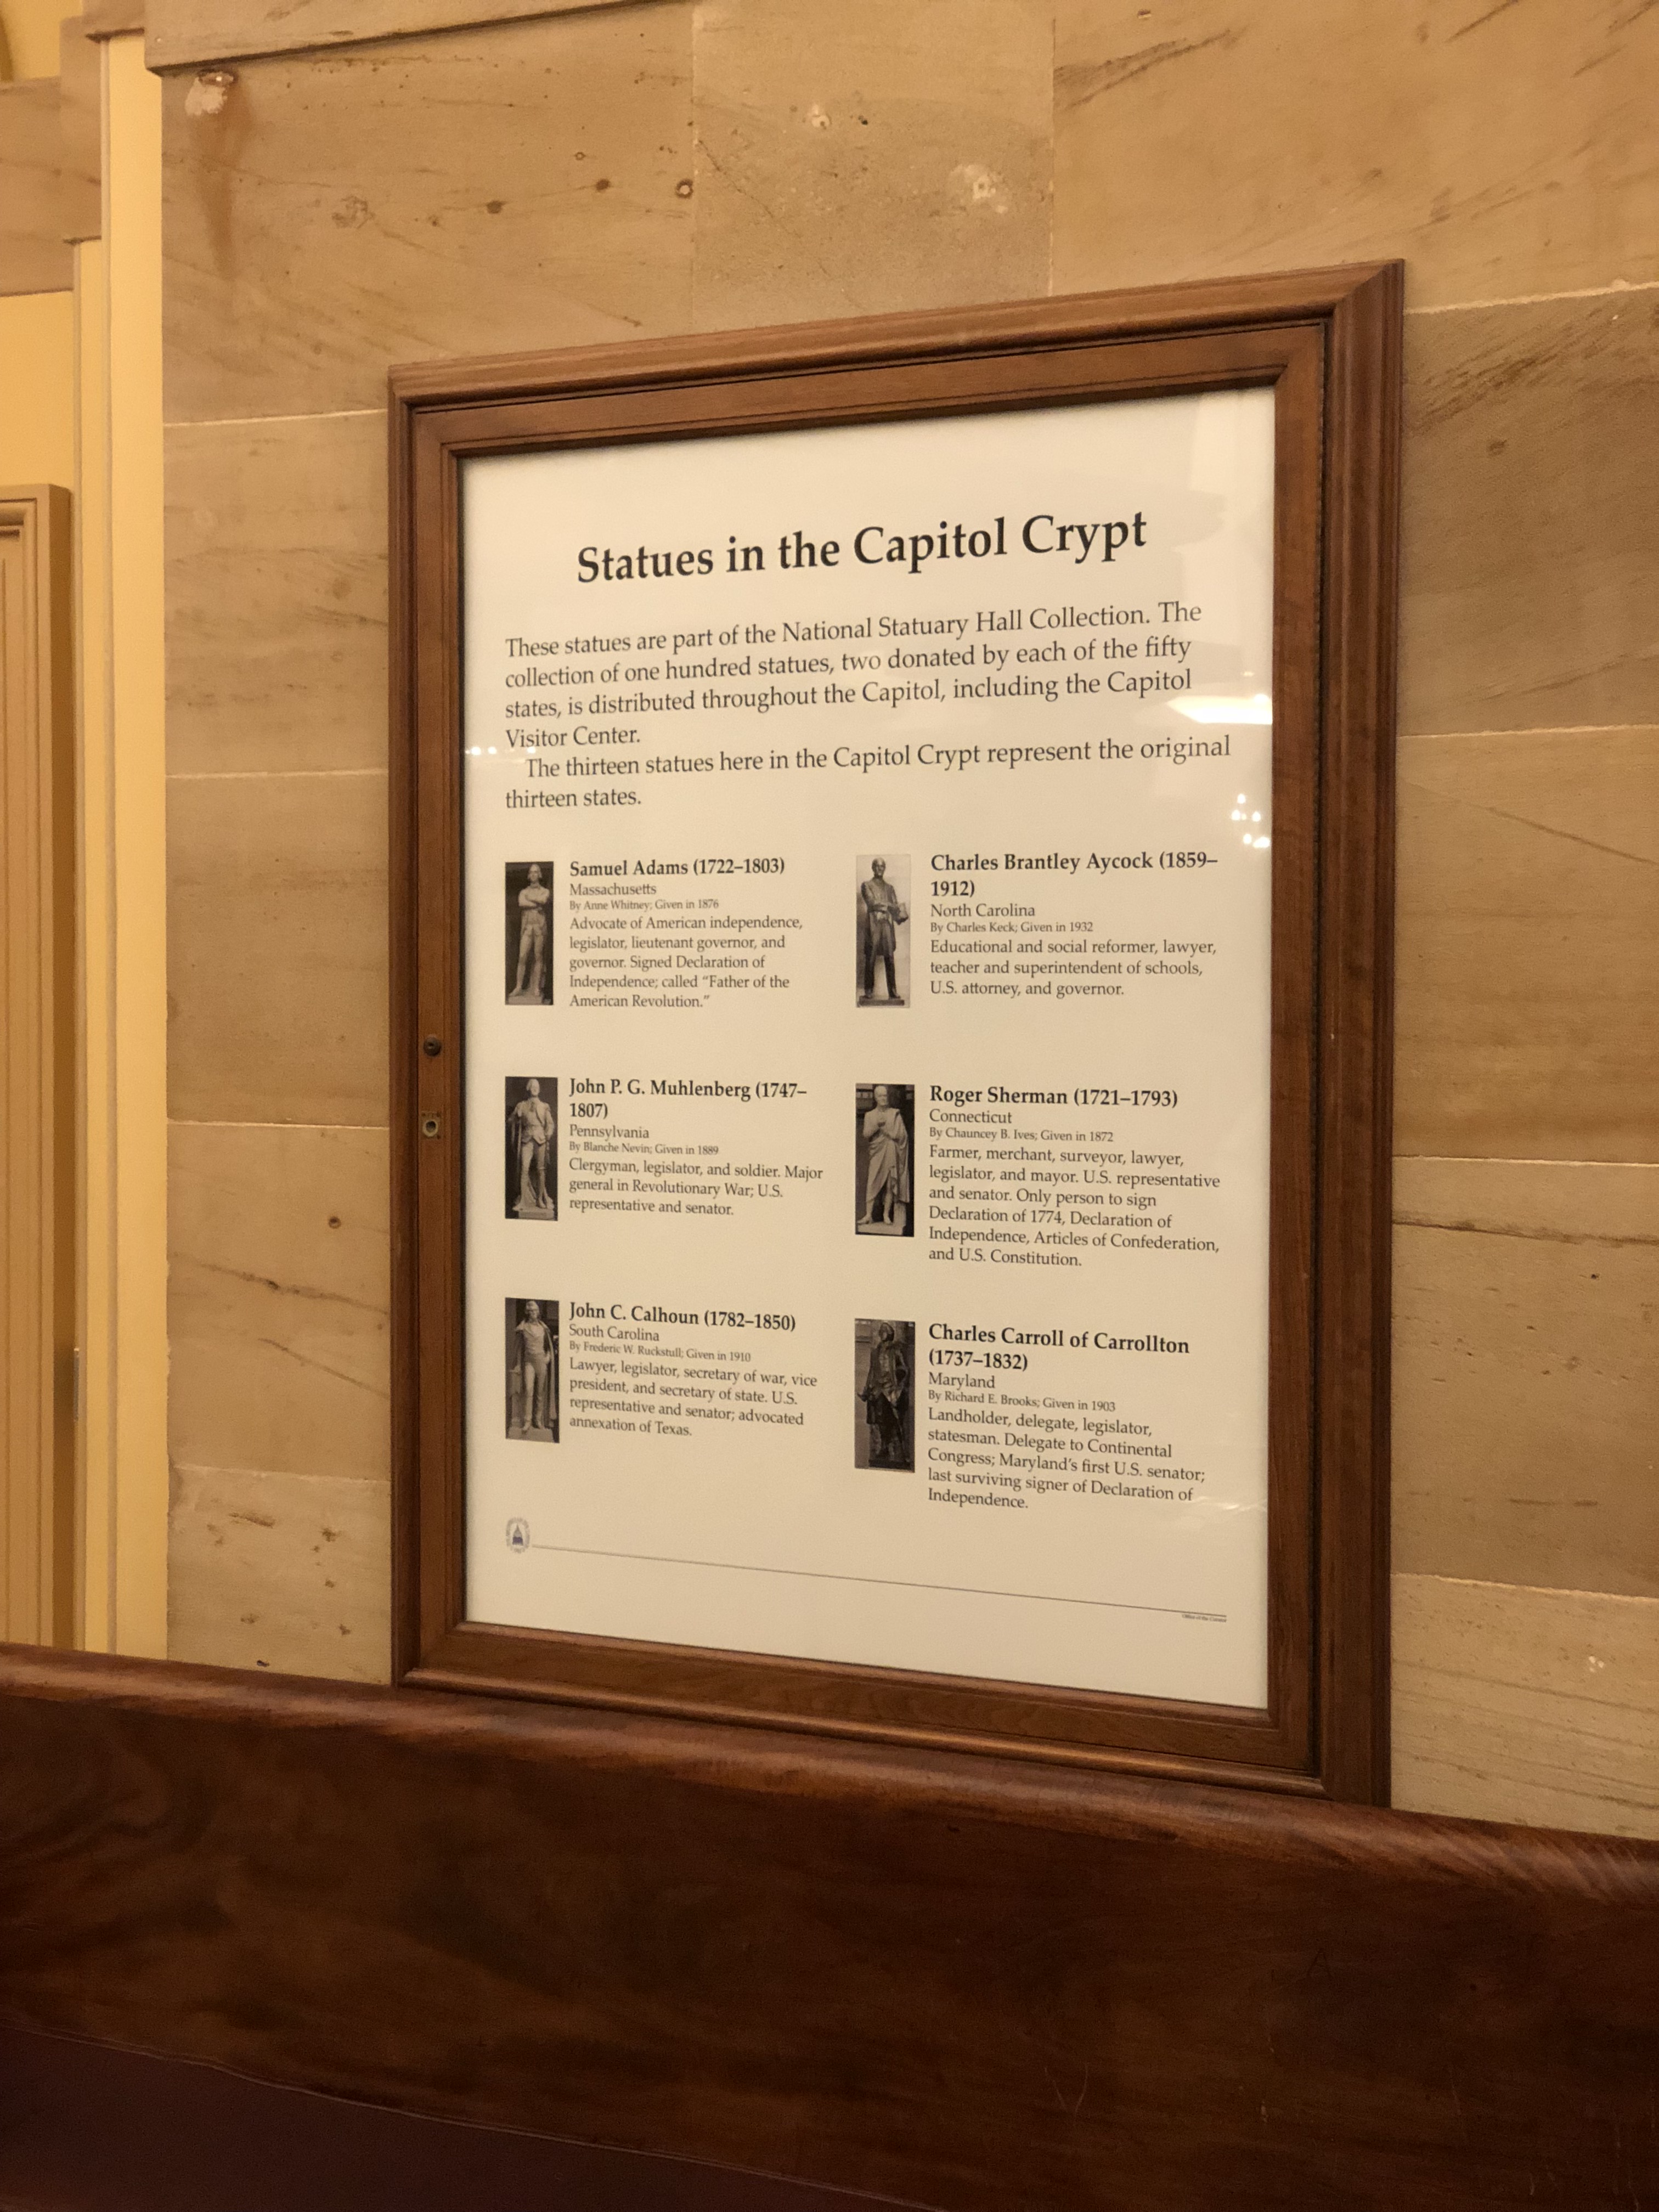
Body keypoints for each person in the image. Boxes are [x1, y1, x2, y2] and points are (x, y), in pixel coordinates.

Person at [859, 1085, 910, 1233]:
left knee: (889, 1184)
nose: (884, 1099)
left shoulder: (895, 1114)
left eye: (885, 1096)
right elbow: (866, 1134)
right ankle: (868, 1215)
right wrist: (877, 1126)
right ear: (876, 1098)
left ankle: (886, 1215)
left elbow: (902, 1135)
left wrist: (888, 1131)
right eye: (881, 1096)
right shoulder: (870, 1115)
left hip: (891, 1150)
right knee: (872, 1182)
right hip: (877, 1152)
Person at [861, 1324, 910, 1468]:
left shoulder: (896, 1351)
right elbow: (872, 1371)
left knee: (897, 1420)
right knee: (879, 1420)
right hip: (878, 1390)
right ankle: (884, 1446)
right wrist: (867, 1390)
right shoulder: (875, 1352)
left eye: (885, 1332)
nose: (882, 1334)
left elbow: (905, 1370)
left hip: (892, 1390)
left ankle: (902, 1450)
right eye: (881, 1331)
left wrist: (900, 1387)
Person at [859, 858, 907, 1005]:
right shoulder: (866, 885)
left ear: (884, 868)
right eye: (877, 866)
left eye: (882, 866)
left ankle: (893, 991)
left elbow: (895, 908)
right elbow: (872, 903)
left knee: (890, 958)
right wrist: (890, 906)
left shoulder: (890, 888)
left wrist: (899, 912)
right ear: (873, 868)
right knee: (871, 958)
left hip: (887, 925)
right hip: (874, 926)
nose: (880, 869)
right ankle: (868, 991)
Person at [508, 1079, 556, 1216]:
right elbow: (510, 1121)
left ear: (539, 1089)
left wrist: (548, 1134)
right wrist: (516, 1117)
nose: (535, 1088)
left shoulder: (544, 1106)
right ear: (529, 1088)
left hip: (540, 1139)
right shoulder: (522, 1106)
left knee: (541, 1170)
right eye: (533, 1086)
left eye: (537, 1087)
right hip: (527, 1139)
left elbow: (550, 1124)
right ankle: (523, 1200)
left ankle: (540, 1200)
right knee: (524, 1169)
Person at [511, 1300, 556, 1436]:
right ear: (527, 1313)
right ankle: (527, 1421)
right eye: (531, 1311)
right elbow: (519, 1349)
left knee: (540, 1393)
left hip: (541, 1362)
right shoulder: (523, 1328)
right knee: (529, 1390)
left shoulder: (544, 1329)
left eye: (535, 1310)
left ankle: (538, 1420)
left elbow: (549, 1346)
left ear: (538, 1312)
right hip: (529, 1362)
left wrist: (549, 1357)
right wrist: (518, 1364)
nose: (533, 1313)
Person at [512, 864, 550, 1001]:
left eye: (536, 872)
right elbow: (522, 903)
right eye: (531, 872)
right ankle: (518, 987)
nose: (534, 875)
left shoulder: (545, 891)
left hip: (539, 927)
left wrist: (531, 900)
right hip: (528, 927)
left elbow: (544, 900)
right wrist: (536, 904)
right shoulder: (524, 892)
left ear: (539, 874)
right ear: (529, 875)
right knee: (522, 956)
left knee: (538, 956)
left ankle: (536, 987)